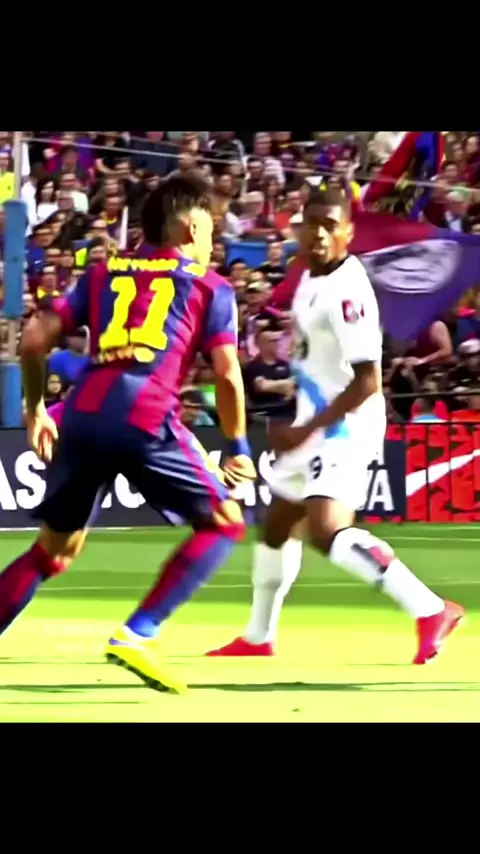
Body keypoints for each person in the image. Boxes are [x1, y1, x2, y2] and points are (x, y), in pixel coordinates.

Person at [0, 172, 255, 694]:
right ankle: (139, 633)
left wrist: (35, 409)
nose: (212, 244)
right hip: (145, 413)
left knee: (52, 552)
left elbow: (33, 339)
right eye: (210, 231)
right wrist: (237, 447)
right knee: (226, 523)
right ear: (190, 228)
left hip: (82, 415)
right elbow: (228, 375)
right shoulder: (211, 287)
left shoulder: (102, 274)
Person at [207, 187, 464, 666]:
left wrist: (307, 430)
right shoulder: (310, 274)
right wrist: (300, 412)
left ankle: (432, 609)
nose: (320, 234)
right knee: (277, 524)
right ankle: (259, 636)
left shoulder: (349, 294)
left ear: (348, 231)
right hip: (316, 419)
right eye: (313, 224)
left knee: (327, 530)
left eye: (331, 225)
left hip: (346, 425)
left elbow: (367, 381)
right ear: (300, 228)